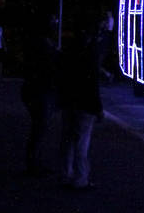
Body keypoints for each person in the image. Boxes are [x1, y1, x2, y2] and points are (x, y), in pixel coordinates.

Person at [59, 27, 103, 189]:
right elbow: (93, 85)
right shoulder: (91, 55)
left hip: (70, 102)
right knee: (81, 143)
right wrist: (98, 109)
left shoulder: (69, 53)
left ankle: (65, 174)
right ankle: (80, 178)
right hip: (85, 106)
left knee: (67, 140)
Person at [20, 19, 59, 175]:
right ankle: (33, 164)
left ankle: (34, 162)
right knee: (39, 128)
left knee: (38, 128)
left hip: (35, 89)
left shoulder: (38, 45)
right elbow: (50, 67)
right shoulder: (45, 47)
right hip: (40, 91)